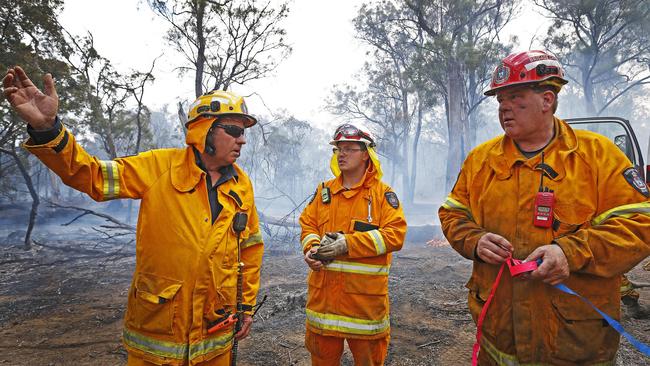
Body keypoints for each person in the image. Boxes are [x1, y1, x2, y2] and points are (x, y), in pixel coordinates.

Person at [2, 66, 265, 366]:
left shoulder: (242, 185)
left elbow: (251, 249)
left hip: (216, 334)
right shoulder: (157, 167)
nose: (242, 140)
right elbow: (94, 176)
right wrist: (49, 130)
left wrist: (245, 306)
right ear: (203, 130)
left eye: (244, 132)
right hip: (159, 333)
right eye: (234, 130)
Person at [438, 50, 650, 365]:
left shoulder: (597, 156)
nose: (504, 107)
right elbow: (453, 213)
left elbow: (639, 225)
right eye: (500, 100)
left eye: (516, 97)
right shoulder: (480, 161)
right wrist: (475, 240)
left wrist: (570, 252)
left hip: (575, 340)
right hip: (500, 336)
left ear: (547, 100)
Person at [299, 123, 407, 366]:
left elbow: (395, 235)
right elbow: (308, 224)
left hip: (364, 310)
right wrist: (311, 249)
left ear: (366, 153)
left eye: (349, 149)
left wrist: (348, 244)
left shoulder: (382, 195)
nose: (342, 154)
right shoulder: (324, 191)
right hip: (323, 307)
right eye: (339, 149)